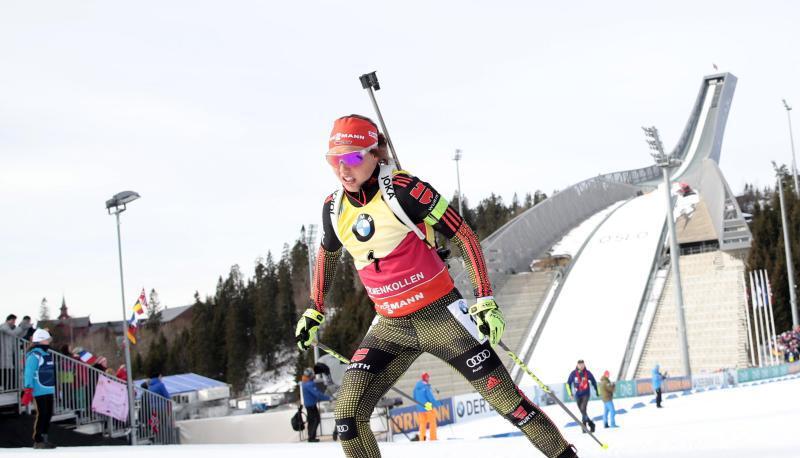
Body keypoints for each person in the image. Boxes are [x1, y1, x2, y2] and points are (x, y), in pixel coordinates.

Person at [295, 115, 577, 458]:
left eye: (353, 157)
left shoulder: (404, 189)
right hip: (390, 326)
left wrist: (484, 299)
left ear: (375, 153)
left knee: (511, 406)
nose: (343, 169)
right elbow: (327, 254)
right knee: (348, 418)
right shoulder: (334, 208)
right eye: (334, 160)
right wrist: (314, 308)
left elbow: (463, 234)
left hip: (441, 318)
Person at [23, 329, 56, 449]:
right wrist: (28, 388)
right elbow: (29, 372)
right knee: (42, 414)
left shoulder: (47, 354)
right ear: (41, 340)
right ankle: (38, 439)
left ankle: (45, 437)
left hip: (48, 388)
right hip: (39, 389)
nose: (49, 341)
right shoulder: (34, 355)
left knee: (49, 414)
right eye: (47, 339)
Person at [566, 360, 597, 433]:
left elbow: (593, 381)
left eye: (582, 364)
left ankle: (584, 426)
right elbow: (568, 384)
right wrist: (570, 394)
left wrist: (597, 391)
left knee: (583, 408)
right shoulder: (573, 373)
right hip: (578, 395)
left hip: (586, 394)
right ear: (577, 365)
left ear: (584, 365)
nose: (581, 366)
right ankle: (591, 424)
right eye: (580, 365)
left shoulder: (587, 373)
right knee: (582, 411)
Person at [301, 367, 331, 442]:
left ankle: (311, 436)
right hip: (311, 405)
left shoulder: (306, 383)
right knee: (315, 420)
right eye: (312, 375)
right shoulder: (309, 384)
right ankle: (311, 437)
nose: (313, 376)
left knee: (312, 420)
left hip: (310, 404)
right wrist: (328, 398)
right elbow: (317, 394)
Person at [413, 372, 441, 441]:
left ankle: (422, 438)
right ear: (425, 378)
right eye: (427, 377)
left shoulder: (416, 387)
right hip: (427, 405)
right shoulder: (426, 387)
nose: (428, 379)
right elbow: (430, 398)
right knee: (432, 422)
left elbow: (414, 397)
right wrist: (437, 404)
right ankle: (433, 437)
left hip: (419, 406)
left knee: (422, 423)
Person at [1, 314, 24, 390]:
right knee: (6, 373)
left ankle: (10, 387)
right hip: (4, 356)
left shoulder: (9, 329)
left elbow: (17, 336)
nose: (14, 323)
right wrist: (21, 327)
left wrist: (24, 329)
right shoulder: (3, 327)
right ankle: (8, 388)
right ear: (9, 320)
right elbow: (13, 333)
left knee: (10, 373)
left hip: (9, 355)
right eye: (14, 321)